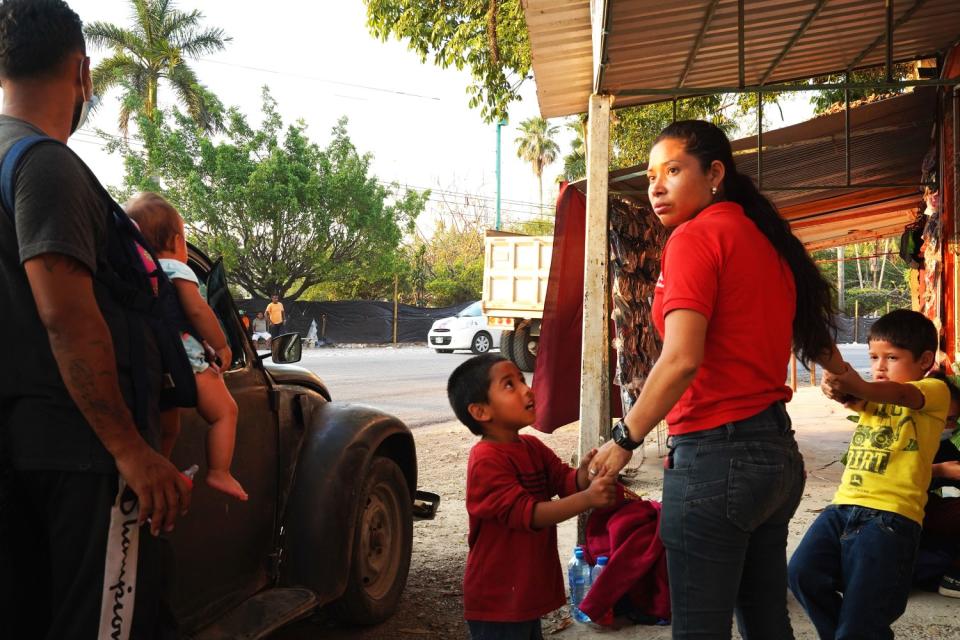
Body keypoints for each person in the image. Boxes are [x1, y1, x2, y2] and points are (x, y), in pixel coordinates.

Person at [588, 120, 848, 639]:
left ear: (714, 174)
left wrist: (624, 438)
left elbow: (682, 359)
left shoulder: (693, 239)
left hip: (717, 460)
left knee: (700, 630)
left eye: (673, 170)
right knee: (766, 621)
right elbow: (816, 342)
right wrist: (854, 383)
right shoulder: (768, 242)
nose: (656, 187)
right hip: (775, 457)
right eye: (650, 176)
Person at [0, 1, 191, 637]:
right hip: (82, 459)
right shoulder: (45, 165)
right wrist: (130, 450)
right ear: (83, 73)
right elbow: (69, 319)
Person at [789, 310, 949, 639]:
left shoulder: (933, 391)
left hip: (891, 518)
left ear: (925, 360)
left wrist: (857, 385)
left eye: (892, 357)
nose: (879, 366)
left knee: (864, 612)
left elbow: (899, 394)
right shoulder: (872, 395)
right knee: (803, 574)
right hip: (842, 507)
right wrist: (835, 384)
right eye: (874, 356)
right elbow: (853, 394)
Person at [447, 354, 617, 639]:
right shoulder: (486, 459)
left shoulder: (531, 446)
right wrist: (588, 498)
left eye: (522, 380)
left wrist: (586, 474)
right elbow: (530, 514)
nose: (527, 389)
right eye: (509, 385)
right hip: (497, 597)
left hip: (523, 593)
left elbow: (564, 480)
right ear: (480, 412)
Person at [126, 192, 248, 501]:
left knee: (168, 428)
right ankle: (220, 472)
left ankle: (161, 470)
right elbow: (197, 311)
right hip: (187, 362)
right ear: (179, 242)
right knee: (225, 413)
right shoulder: (177, 269)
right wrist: (221, 346)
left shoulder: (134, 274)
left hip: (154, 365)